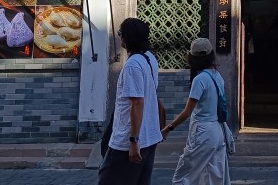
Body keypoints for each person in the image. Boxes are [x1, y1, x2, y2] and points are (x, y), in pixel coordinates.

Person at [99, 17, 166, 185]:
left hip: (129, 140)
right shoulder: (149, 58)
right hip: (149, 137)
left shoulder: (133, 65)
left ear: (127, 38)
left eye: (121, 33)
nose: (120, 37)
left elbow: (137, 102)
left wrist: (133, 140)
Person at [163, 38, 231, 185]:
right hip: (218, 131)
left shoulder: (200, 79)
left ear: (192, 58)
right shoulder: (217, 76)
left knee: (183, 176)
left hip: (202, 132)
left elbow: (187, 112)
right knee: (213, 178)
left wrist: (168, 128)